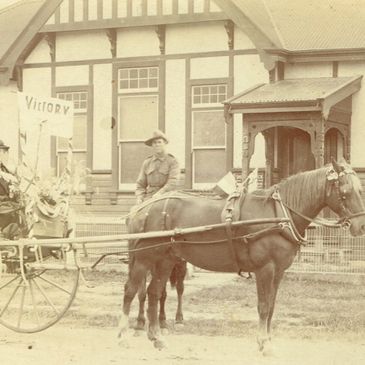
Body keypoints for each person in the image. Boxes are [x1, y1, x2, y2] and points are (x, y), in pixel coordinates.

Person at [135, 130, 180, 204]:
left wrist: (160, 193)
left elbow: (173, 182)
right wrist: (140, 197)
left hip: (167, 196)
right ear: (152, 145)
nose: (157, 145)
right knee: (135, 212)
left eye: (159, 142)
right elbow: (140, 184)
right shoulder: (147, 162)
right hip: (150, 197)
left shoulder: (172, 161)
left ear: (165, 143)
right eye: (154, 143)